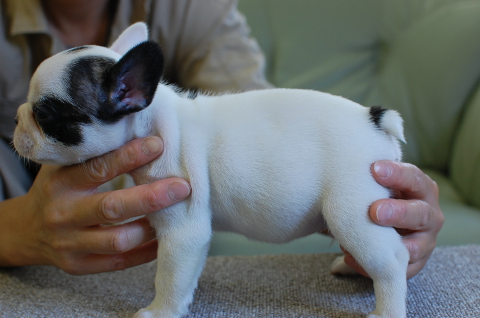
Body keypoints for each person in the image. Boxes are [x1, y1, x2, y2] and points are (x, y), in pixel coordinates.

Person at [0, 0, 443, 278]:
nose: (30, 124)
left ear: (133, 91)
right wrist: (14, 230)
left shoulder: (194, 9)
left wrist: (337, 193)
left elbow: (260, 125)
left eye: (46, 117)